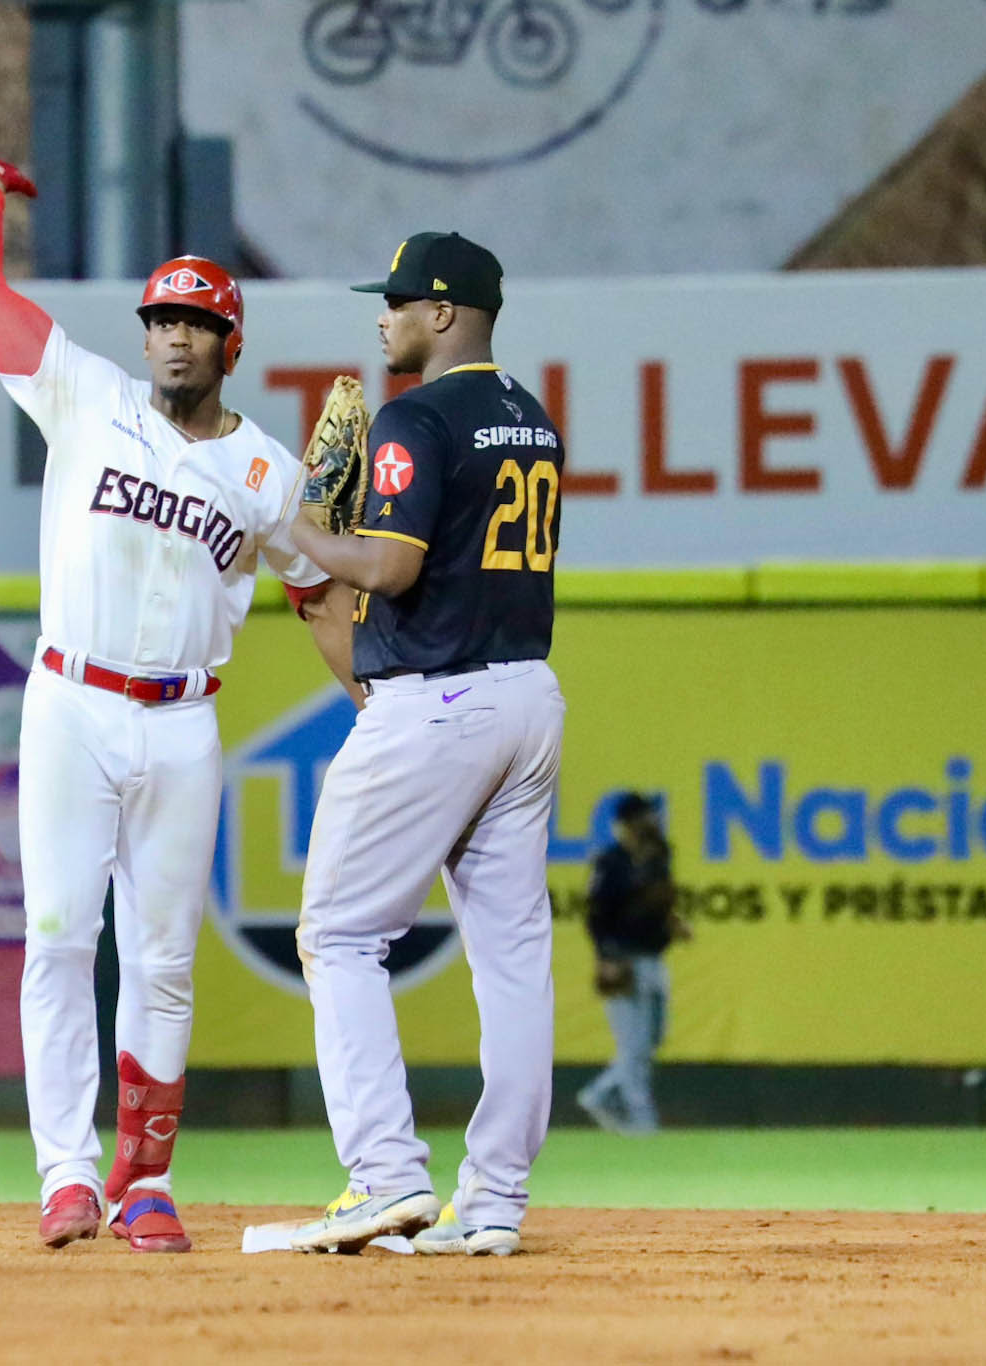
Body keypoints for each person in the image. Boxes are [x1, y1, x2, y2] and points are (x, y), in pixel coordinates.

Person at [0, 132, 347, 1253]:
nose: (173, 336)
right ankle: (66, 1174)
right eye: (161, 320)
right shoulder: (85, 394)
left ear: (229, 339)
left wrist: (372, 699)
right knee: (58, 936)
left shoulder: (265, 470)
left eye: (195, 322)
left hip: (180, 719)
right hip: (72, 702)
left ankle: (147, 1180)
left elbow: (318, 594)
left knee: (164, 957)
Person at [280, 232, 567, 1258]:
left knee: (340, 936)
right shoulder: (528, 420)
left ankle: (383, 1177)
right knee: (512, 958)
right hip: (525, 692)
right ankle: (492, 1202)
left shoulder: (417, 415)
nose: (382, 315)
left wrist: (301, 526)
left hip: (436, 703)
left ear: (443, 312)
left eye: (397, 300)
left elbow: (391, 570)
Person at [576, 792, 688, 1136]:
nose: (651, 820)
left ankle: (599, 1094)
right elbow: (596, 916)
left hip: (654, 958)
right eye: (643, 816)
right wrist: (605, 958)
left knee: (653, 1038)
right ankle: (643, 1124)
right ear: (626, 824)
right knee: (634, 1046)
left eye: (651, 814)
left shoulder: (659, 857)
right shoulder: (611, 862)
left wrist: (672, 922)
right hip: (622, 960)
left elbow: (655, 906)